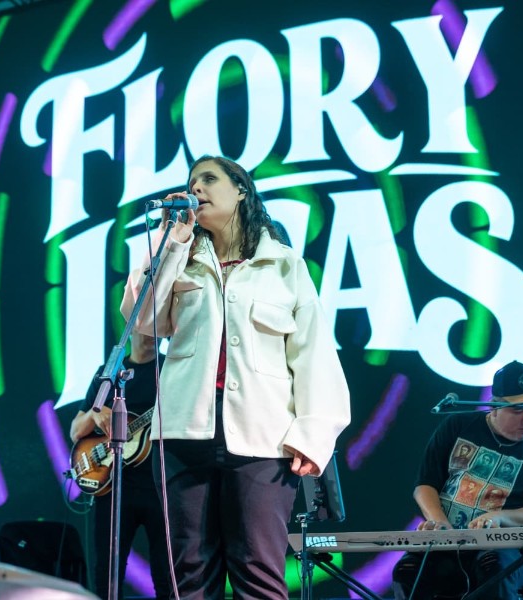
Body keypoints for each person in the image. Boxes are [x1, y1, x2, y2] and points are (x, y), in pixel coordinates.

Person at [121, 155, 351, 599]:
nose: (197, 188)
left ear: (241, 190)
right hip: (184, 438)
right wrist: (171, 244)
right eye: (192, 182)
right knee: (188, 578)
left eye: (209, 179)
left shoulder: (284, 265)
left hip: (262, 443)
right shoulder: (178, 257)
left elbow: (314, 358)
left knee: (258, 576)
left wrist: (314, 434)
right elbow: (143, 320)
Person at [392, 361, 523, 600]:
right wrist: (439, 522)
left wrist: (500, 517)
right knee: (407, 571)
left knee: (493, 566)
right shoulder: (457, 425)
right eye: (517, 410)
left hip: (506, 547)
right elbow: (425, 484)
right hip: (449, 542)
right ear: (494, 406)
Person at [69, 331, 169, 599]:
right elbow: (76, 431)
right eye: (144, 327)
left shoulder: (170, 370)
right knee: (107, 575)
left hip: (159, 487)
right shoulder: (110, 372)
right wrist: (95, 413)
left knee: (165, 575)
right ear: (133, 327)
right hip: (113, 487)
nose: (151, 334)